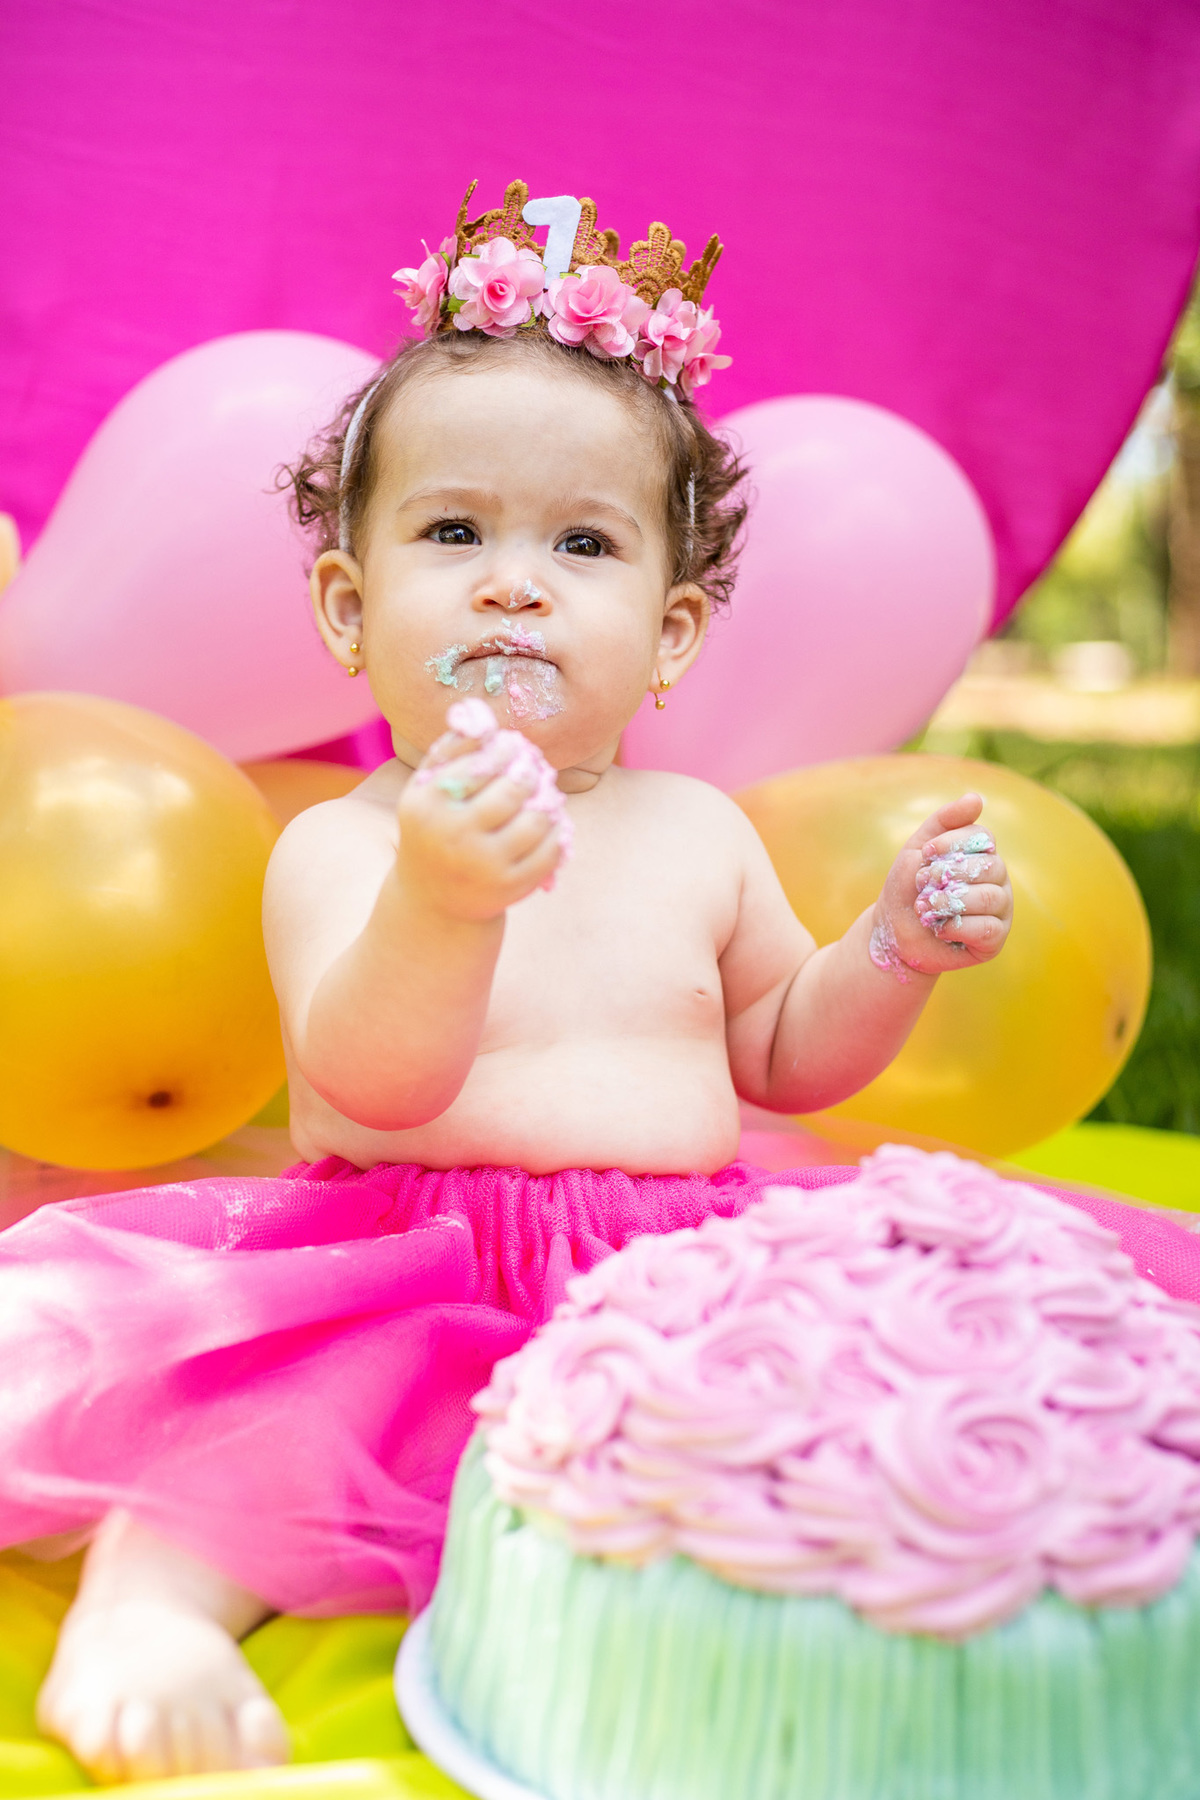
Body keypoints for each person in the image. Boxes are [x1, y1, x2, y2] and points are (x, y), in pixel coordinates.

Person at [16, 180, 1012, 1783]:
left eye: (584, 543)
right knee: (278, 1435)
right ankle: (153, 1607)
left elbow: (780, 1052)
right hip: (417, 1267)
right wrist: (443, 898)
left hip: (684, 1275)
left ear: (673, 632)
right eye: (454, 531)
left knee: (855, 1428)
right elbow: (370, 1084)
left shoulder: (699, 831)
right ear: (353, 605)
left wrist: (883, 952)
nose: (513, 582)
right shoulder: (351, 845)